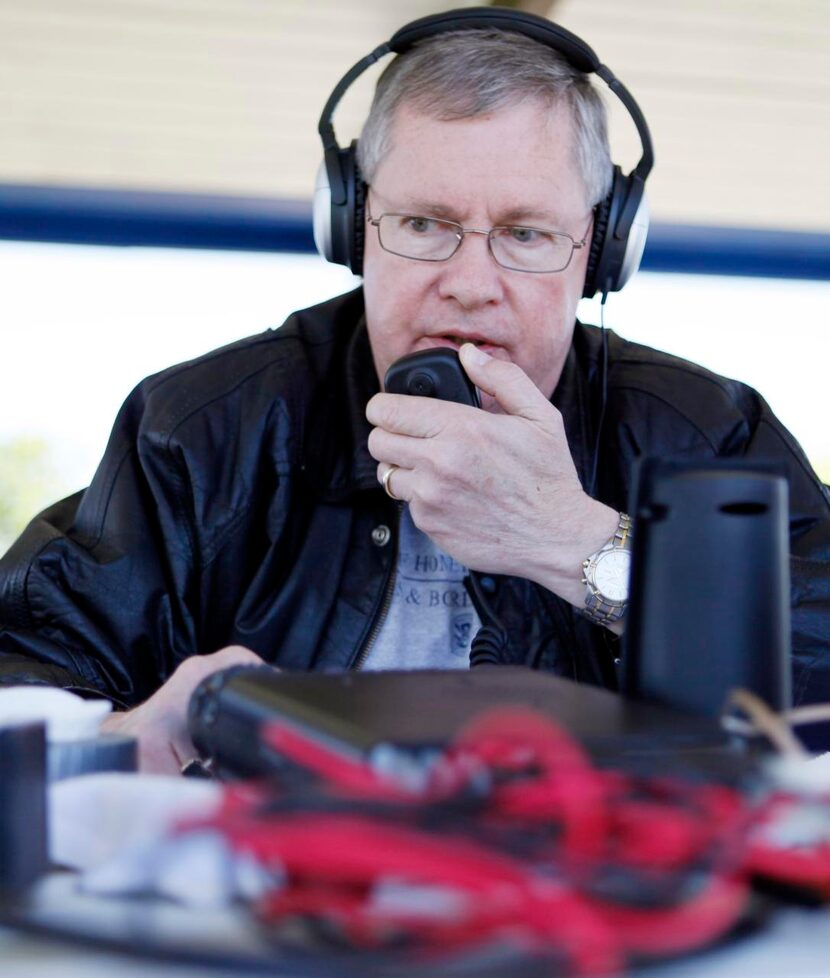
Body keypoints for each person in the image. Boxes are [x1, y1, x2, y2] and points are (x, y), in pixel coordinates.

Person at [1, 9, 828, 773]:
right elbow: (25, 680)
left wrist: (577, 546)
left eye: (527, 233)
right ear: (354, 225)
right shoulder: (198, 431)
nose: (471, 284)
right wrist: (123, 740)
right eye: (425, 224)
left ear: (601, 254)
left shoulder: (709, 435)